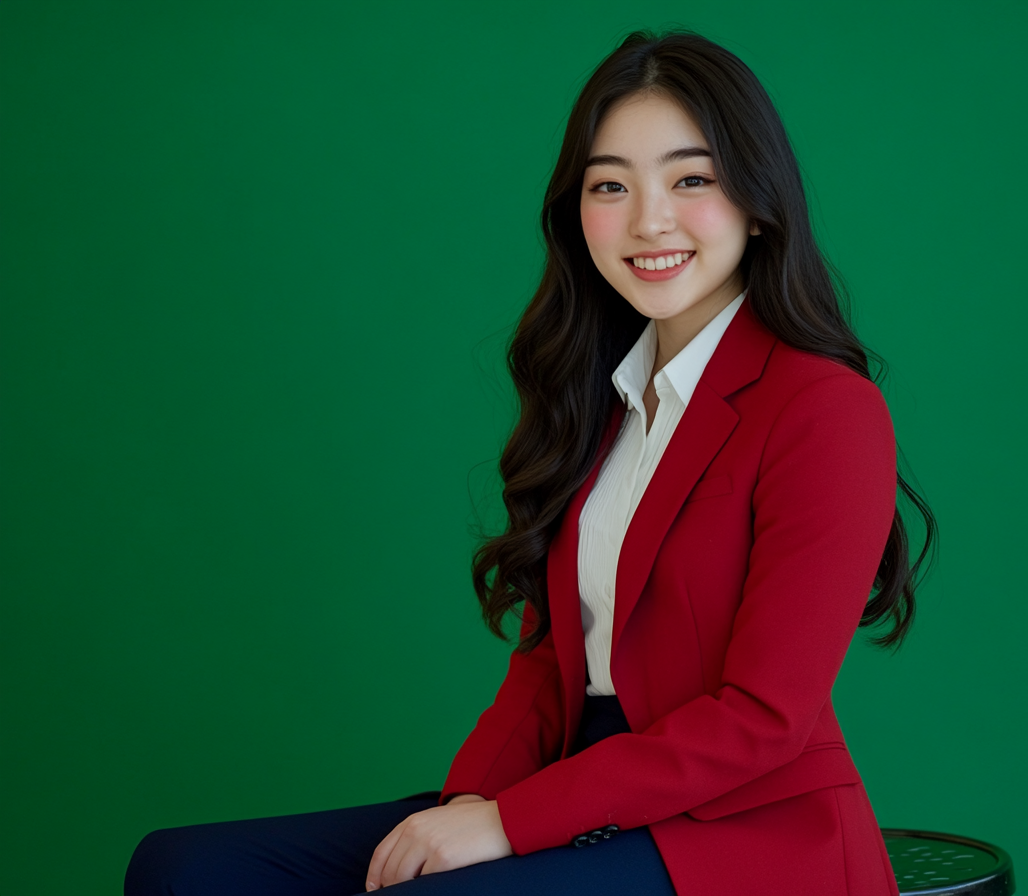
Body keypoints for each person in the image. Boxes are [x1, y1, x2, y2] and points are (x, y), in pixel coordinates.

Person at [126, 29, 936, 896]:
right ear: (575, 212)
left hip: (740, 830)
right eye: (610, 186)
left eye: (690, 178)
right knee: (182, 869)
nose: (648, 219)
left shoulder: (822, 408)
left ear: (759, 199)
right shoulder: (601, 400)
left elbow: (764, 720)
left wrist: (506, 825)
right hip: (571, 786)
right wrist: (471, 803)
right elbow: (549, 663)